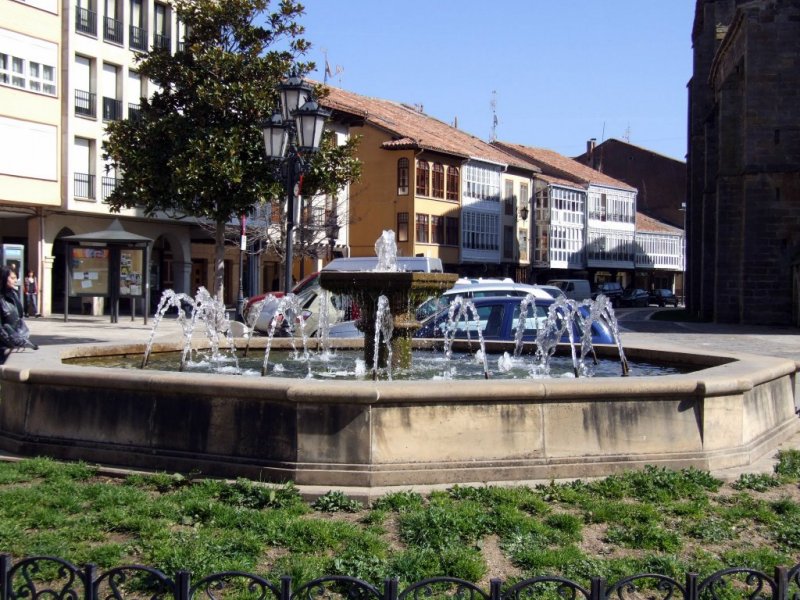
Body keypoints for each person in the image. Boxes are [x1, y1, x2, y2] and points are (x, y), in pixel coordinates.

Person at [0, 266, 36, 350]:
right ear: (3, 278)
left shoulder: (14, 294)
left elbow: (19, 317)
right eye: (12, 278)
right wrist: (11, 339)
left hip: (11, 344)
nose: (15, 280)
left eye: (16, 278)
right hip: (4, 344)